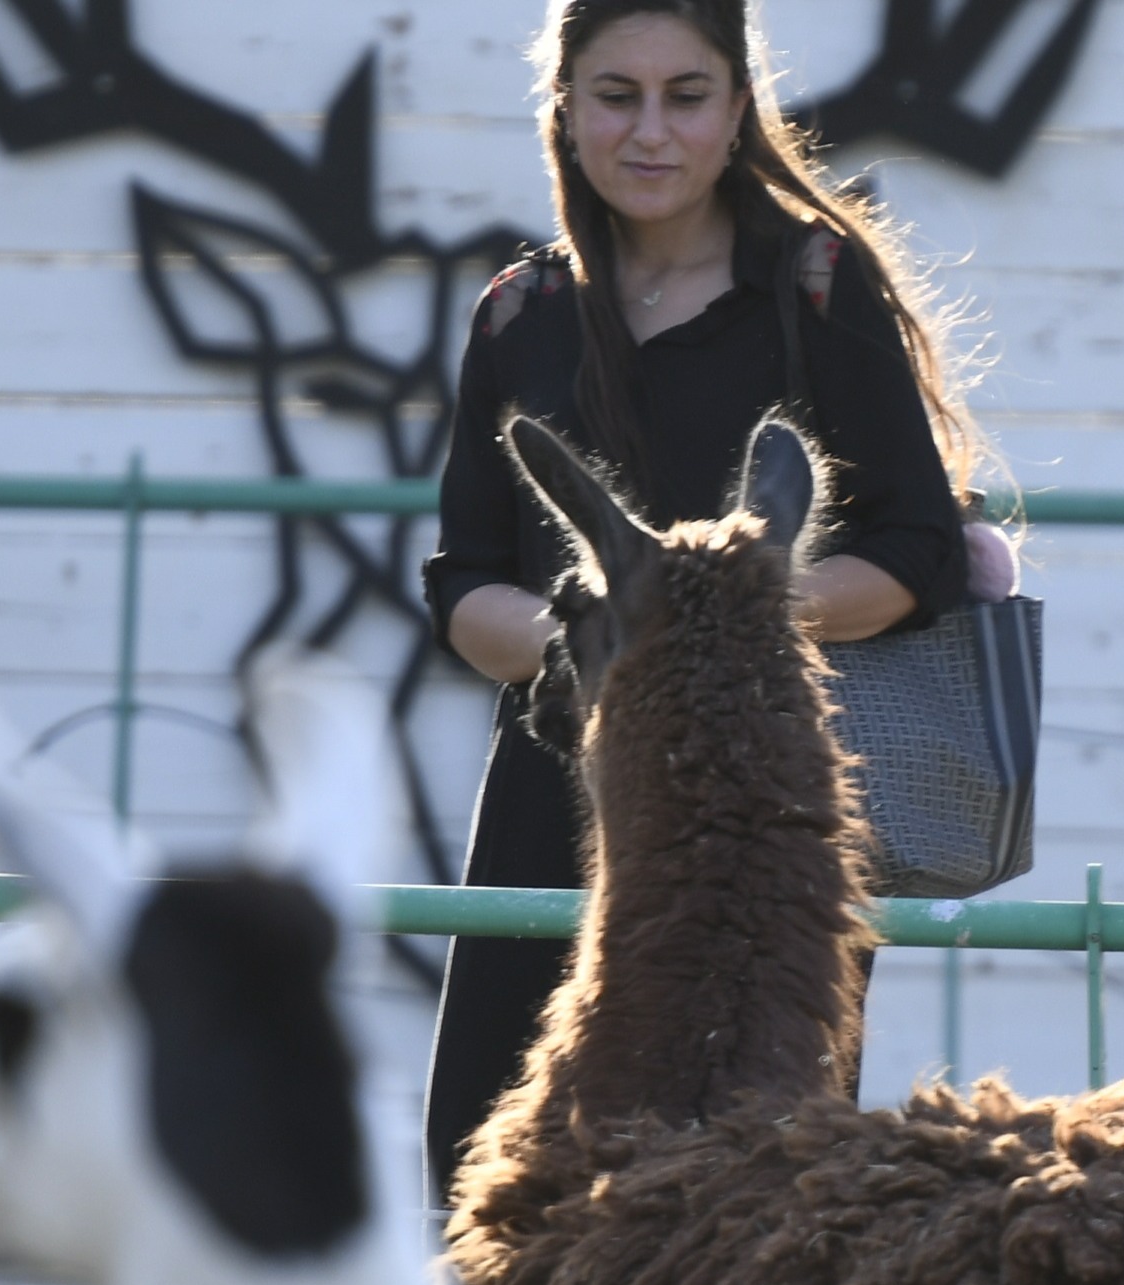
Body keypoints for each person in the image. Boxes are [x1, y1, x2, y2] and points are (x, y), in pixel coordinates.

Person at [417, 0, 988, 1209]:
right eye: (616, 95)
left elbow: (917, 553)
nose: (651, 131)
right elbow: (464, 584)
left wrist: (706, 625)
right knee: (487, 1158)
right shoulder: (518, 314)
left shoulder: (817, 285)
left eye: (686, 96)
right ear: (564, 107)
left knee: (753, 1180)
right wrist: (602, 648)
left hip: (763, 811)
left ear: (738, 111)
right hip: (556, 789)